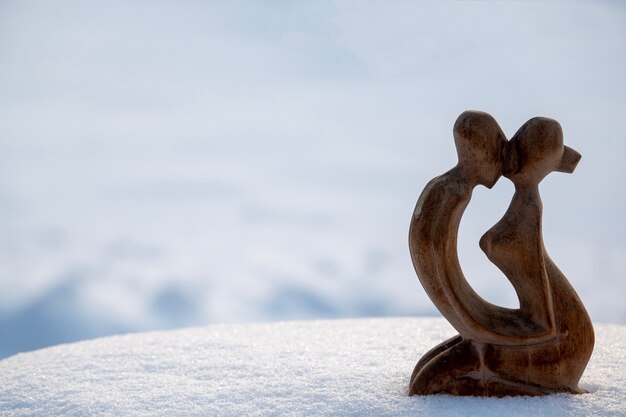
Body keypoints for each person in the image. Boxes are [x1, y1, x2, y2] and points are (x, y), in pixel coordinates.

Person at [409, 115, 593, 396]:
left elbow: (542, 325)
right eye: (496, 149)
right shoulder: (458, 194)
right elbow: (542, 326)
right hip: (555, 343)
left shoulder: (450, 190)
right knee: (428, 380)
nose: (502, 158)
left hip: (561, 348)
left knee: (429, 379)